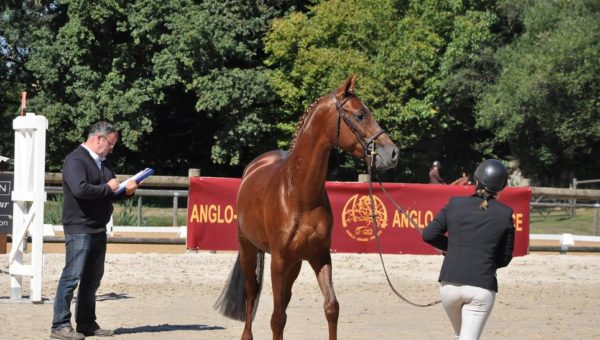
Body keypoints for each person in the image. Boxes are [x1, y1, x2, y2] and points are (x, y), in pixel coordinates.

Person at [51, 121, 138, 340]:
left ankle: (87, 323)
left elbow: (109, 192)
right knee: (71, 277)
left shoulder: (104, 163)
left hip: (98, 227)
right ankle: (59, 325)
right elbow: (81, 190)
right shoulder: (75, 160)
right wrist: (108, 188)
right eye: (111, 143)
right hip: (79, 226)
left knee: (92, 279)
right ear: (99, 139)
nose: (112, 148)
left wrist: (126, 192)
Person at [422, 159, 515, 340]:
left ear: (477, 181)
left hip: (449, 287)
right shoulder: (505, 213)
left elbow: (429, 235)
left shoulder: (455, 203)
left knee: (460, 335)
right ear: (501, 187)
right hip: (481, 287)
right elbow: (505, 258)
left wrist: (455, 249)